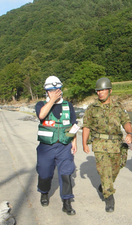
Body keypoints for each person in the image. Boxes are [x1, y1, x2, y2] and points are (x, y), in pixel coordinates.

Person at [82, 77, 132, 213]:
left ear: (110, 91)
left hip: (116, 145)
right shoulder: (92, 108)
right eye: (98, 91)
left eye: (102, 90)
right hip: (99, 144)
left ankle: (104, 186)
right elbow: (86, 126)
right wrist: (84, 144)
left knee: (115, 170)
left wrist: (129, 133)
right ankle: (109, 197)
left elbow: (126, 121)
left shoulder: (118, 107)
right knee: (105, 171)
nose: (100, 93)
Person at [35, 75, 77, 215]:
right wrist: (52, 100)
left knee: (66, 174)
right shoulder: (41, 105)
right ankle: (44, 192)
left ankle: (67, 202)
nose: (55, 91)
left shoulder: (68, 105)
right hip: (46, 148)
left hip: (64, 146)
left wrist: (74, 142)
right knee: (45, 173)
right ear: (46, 91)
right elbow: (41, 116)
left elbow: (73, 125)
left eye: (57, 89)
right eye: (51, 90)